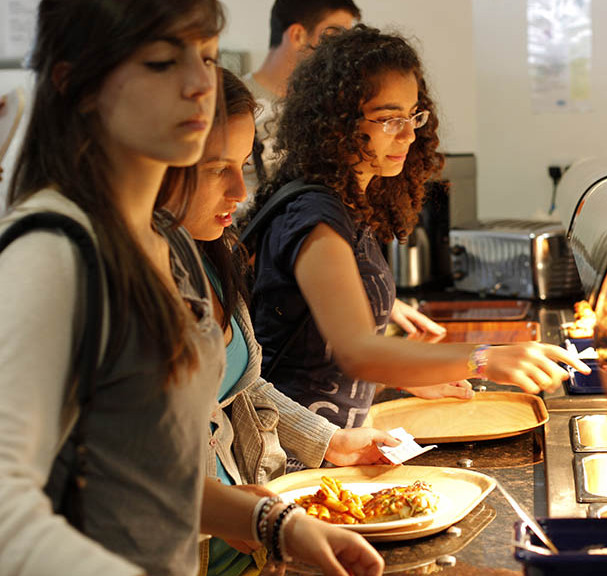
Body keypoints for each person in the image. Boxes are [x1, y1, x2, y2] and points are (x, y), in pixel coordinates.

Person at [0, 2, 383, 575]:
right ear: (75, 85)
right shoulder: (52, 251)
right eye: (161, 62)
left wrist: (269, 521)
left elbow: (137, 475)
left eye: (206, 57)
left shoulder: (172, 243)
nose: (199, 86)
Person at [247, 26, 590, 429]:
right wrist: (483, 358)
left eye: (413, 115)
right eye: (389, 119)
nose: (409, 134)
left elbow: (323, 355)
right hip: (296, 451)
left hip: (340, 442)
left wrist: (409, 375)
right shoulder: (314, 216)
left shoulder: (349, 205)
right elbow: (357, 352)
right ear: (335, 123)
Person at [165, 67, 398, 576]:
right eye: (217, 168)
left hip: (249, 545)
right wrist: (478, 359)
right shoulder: (121, 284)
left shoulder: (212, 255)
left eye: (243, 165)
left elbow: (243, 388)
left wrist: (329, 441)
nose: (239, 190)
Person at [242, 0, 362, 203]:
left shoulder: (330, 109)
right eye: (334, 36)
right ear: (297, 35)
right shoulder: (233, 101)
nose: (342, 50)